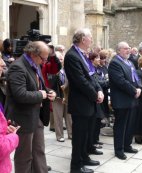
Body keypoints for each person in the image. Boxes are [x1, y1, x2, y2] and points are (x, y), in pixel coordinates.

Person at [5, 41, 56, 173]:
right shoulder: (18, 67)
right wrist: (41, 95)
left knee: (39, 151)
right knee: (24, 156)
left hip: (35, 116)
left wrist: (49, 92)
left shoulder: (35, 64)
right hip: (22, 118)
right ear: (33, 54)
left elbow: (39, 87)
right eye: (43, 58)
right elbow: (20, 95)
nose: (45, 62)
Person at [64, 28, 104, 173]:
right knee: (79, 136)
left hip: (89, 101)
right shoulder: (72, 56)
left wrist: (99, 89)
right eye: (90, 37)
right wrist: (96, 95)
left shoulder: (83, 55)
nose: (92, 39)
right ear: (82, 39)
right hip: (81, 103)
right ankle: (76, 166)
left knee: (86, 133)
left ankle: (84, 157)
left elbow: (92, 75)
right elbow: (80, 81)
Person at [108, 41, 141, 160]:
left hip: (132, 98)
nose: (128, 50)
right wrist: (134, 90)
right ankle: (119, 150)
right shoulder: (115, 63)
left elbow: (136, 78)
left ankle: (127, 145)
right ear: (118, 51)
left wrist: (139, 88)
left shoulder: (130, 62)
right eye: (125, 48)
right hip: (121, 100)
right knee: (120, 126)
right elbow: (120, 81)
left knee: (129, 124)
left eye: (129, 48)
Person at [51, 51, 72, 142]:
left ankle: (71, 134)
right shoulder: (53, 70)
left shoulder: (68, 69)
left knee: (69, 116)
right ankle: (59, 136)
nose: (60, 61)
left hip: (68, 96)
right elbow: (51, 84)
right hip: (58, 97)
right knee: (58, 117)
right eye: (58, 59)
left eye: (61, 59)